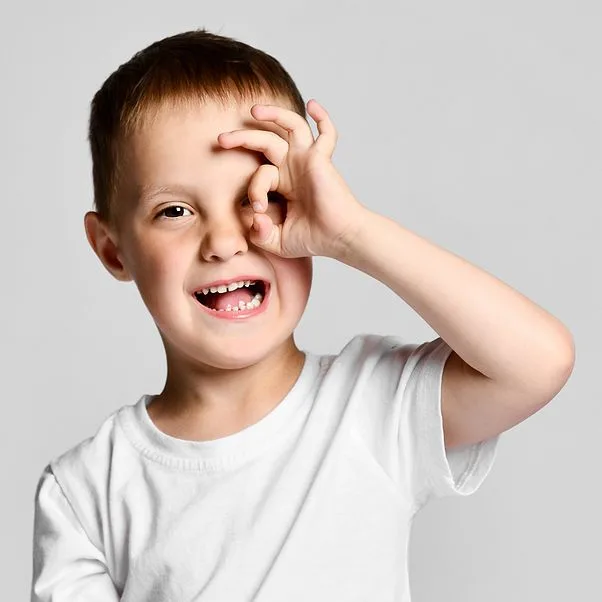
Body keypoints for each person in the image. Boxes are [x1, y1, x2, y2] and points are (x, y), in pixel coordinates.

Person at [30, 28, 575, 601]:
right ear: (114, 249)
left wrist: (351, 233)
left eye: (261, 197)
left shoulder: (370, 405)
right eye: (175, 210)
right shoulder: (86, 491)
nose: (224, 240)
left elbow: (539, 362)